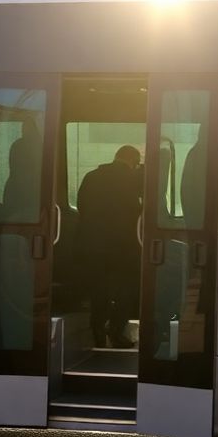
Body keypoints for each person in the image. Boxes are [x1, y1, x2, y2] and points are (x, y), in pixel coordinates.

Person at [76, 145, 143, 348]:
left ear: (117, 157)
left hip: (92, 245)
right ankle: (115, 330)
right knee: (127, 288)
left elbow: (81, 205)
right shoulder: (132, 179)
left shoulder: (91, 176)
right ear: (133, 161)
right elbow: (140, 208)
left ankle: (97, 332)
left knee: (99, 288)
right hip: (123, 246)